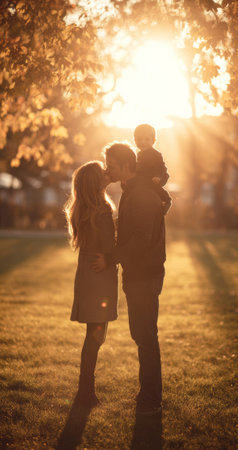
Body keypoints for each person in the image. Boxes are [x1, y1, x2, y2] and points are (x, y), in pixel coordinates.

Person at [93, 143, 166, 415]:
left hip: (144, 275)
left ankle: (151, 399)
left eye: (111, 165)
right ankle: (148, 394)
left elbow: (141, 239)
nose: (108, 170)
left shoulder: (142, 194)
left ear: (126, 165)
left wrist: (111, 258)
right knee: (142, 333)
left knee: (145, 335)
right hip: (138, 273)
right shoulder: (133, 191)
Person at [64, 161, 118, 408]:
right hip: (99, 275)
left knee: (94, 335)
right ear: (95, 183)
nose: (108, 173)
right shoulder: (102, 210)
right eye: (103, 173)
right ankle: (86, 392)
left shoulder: (84, 208)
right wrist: (114, 255)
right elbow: (109, 246)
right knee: (96, 336)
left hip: (88, 274)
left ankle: (85, 390)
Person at [134, 123, 172, 213]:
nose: (143, 142)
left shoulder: (156, 154)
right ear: (135, 140)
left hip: (153, 179)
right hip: (143, 180)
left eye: (147, 139)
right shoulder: (138, 154)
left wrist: (158, 176)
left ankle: (167, 202)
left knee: (158, 190)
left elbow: (161, 168)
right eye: (139, 139)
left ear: (153, 141)